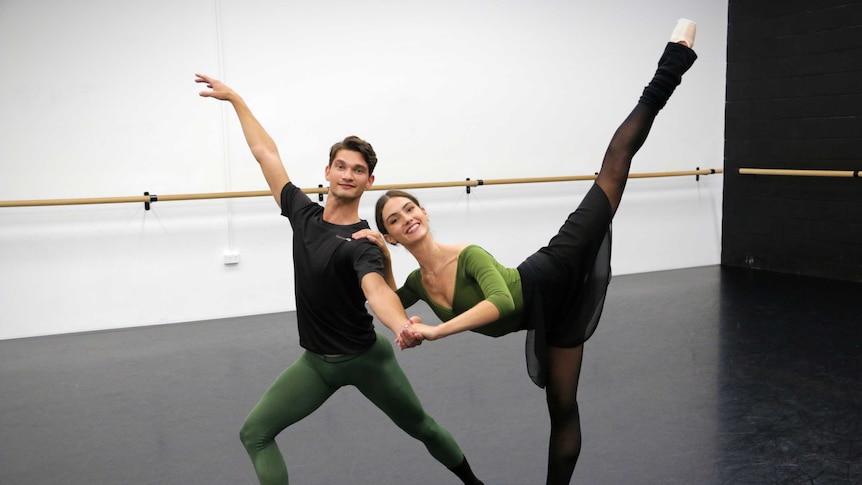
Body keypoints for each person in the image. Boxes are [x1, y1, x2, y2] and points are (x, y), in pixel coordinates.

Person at [354, 20, 698, 485]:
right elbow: (388, 302)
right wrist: (379, 258)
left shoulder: (468, 255)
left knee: (613, 166)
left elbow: (504, 304)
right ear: (392, 235)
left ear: (425, 213)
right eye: (393, 220)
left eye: (410, 208)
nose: (405, 218)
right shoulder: (418, 283)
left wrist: (438, 332)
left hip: (555, 268)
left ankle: (672, 63)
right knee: (561, 406)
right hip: (552, 314)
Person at [195, 75, 484, 485]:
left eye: (359, 170)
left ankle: (474, 482)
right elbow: (266, 154)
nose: (348, 175)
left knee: (423, 427)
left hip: (367, 360)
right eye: (342, 166)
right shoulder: (302, 213)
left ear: (369, 182)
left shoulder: (362, 242)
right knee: (255, 434)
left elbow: (376, 290)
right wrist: (236, 100)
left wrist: (401, 326)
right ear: (328, 171)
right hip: (316, 363)